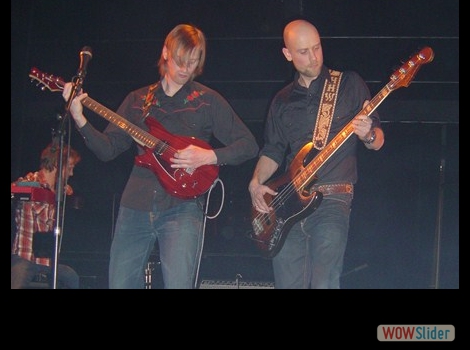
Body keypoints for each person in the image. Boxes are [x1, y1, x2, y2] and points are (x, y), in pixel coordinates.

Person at [62, 23, 259, 289]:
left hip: (183, 208)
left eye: (192, 62)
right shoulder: (137, 100)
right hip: (135, 204)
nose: (185, 69)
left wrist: (208, 156)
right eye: (180, 61)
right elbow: (108, 150)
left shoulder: (207, 100)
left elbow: (248, 145)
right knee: (119, 283)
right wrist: (79, 118)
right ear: (165, 52)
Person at [248, 19, 385, 289]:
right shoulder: (281, 100)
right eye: (303, 51)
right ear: (287, 54)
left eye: (317, 47)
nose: (314, 57)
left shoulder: (349, 84)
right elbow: (273, 151)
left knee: (325, 282)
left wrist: (368, 133)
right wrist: (255, 183)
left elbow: (378, 142)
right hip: (287, 202)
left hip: (333, 198)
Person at [11, 142, 81, 289]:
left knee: (71, 276)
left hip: (47, 262)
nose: (71, 173)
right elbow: (16, 189)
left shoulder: (59, 191)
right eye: (69, 167)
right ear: (57, 164)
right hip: (24, 257)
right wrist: (19, 187)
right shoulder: (32, 181)